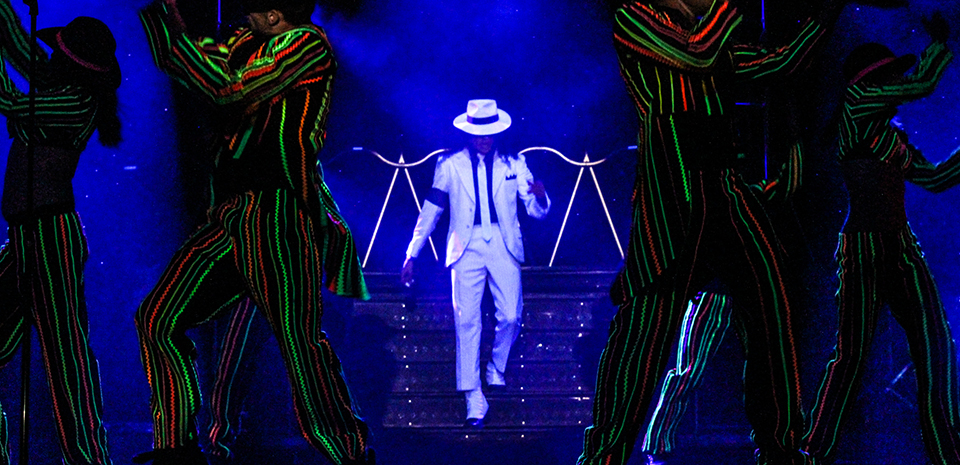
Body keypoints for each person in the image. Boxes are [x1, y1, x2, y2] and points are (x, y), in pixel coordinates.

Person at [580, 0, 843, 463]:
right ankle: (605, 455)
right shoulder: (634, 17)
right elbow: (695, 54)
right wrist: (727, 7)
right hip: (672, 189)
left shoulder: (711, 36)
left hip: (724, 185)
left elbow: (777, 63)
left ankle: (781, 447)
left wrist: (825, 14)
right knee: (646, 328)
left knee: (770, 306)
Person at [135, 0, 374, 463]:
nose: (241, 17)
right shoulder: (247, 43)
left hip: (277, 210)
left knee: (299, 346)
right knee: (158, 319)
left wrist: (185, 44)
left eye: (252, 11)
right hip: (229, 213)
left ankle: (350, 452)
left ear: (274, 16)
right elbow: (185, 63)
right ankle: (175, 449)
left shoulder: (306, 44)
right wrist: (161, 18)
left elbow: (226, 89)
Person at [802, 13, 960, 465]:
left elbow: (934, 178)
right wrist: (937, 44)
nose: (898, 84)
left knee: (935, 345)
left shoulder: (888, 137)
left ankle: (948, 450)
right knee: (850, 357)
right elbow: (923, 84)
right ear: (875, 81)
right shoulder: (856, 104)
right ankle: (812, 451)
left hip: (899, 247)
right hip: (864, 249)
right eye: (891, 77)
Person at [0, 2, 120, 464]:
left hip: (50, 237)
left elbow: (11, 100)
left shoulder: (76, 101)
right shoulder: (60, 88)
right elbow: (20, 49)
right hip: (26, 239)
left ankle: (89, 458)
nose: (45, 59)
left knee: (66, 357)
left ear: (70, 62)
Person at [641, 141, 803, 465]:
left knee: (769, 368)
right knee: (688, 369)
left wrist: (796, 143)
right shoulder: (698, 198)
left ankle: (777, 443)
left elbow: (785, 186)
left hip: (746, 291)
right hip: (712, 294)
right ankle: (656, 445)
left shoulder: (745, 195)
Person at [400, 99, 550, 428]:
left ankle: (496, 366)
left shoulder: (515, 163)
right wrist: (412, 252)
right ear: (469, 134)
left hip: (502, 242)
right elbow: (432, 211)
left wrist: (540, 196)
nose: (484, 138)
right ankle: (473, 396)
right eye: (478, 133)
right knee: (466, 321)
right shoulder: (450, 165)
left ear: (498, 132)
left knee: (511, 314)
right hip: (464, 245)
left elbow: (535, 209)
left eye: (489, 132)